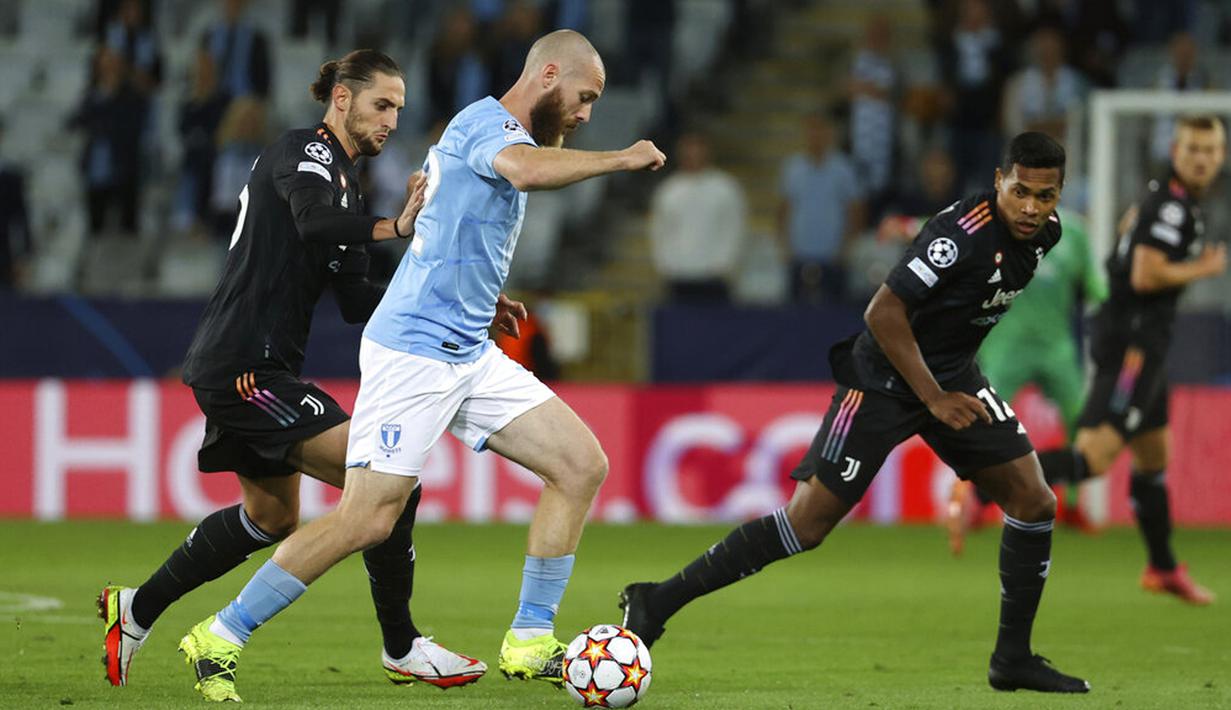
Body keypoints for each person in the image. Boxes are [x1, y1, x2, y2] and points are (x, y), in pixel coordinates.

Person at [178, 29, 666, 702]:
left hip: (466, 347)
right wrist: (621, 157)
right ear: (548, 74)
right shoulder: (482, 123)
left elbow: (449, 227)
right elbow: (522, 171)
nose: (585, 114)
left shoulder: (496, 136)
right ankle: (221, 633)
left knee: (580, 465)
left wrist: (480, 298)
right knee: (367, 519)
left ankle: (528, 639)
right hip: (413, 352)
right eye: (584, 98)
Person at [99, 49, 507, 696]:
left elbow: (355, 300)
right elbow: (313, 222)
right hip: (244, 367)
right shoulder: (304, 152)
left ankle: (136, 611)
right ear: (341, 99)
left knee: (270, 517)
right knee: (387, 484)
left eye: (399, 108)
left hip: (257, 366)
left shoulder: (348, 184)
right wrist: (395, 225)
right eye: (381, 104)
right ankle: (401, 645)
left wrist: (464, 307)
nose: (391, 120)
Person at [621, 132, 1090, 694]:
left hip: (954, 378)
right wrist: (933, 397)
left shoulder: (1049, 235)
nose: (1033, 208)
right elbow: (883, 312)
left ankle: (1012, 659)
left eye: (1046, 195)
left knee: (1035, 499)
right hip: (883, 380)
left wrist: (949, 383)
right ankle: (656, 600)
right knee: (807, 523)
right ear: (998, 182)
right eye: (1021, 192)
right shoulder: (958, 236)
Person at [1033, 115, 1227, 605]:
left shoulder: (1163, 198)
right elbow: (1144, 273)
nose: (1202, 158)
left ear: (1221, 156)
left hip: (1145, 348)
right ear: (1176, 151)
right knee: (1094, 458)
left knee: (1154, 456)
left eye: (1211, 149)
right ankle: (985, 478)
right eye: (1193, 149)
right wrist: (1201, 268)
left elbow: (1129, 238)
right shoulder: (1172, 209)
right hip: (1133, 351)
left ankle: (1162, 567)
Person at [947, 206, 1106, 554]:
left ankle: (1073, 505)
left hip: (1056, 347)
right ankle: (971, 497)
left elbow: (1097, 288)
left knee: (1082, 422)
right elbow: (953, 228)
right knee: (981, 420)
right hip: (1007, 343)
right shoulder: (1002, 219)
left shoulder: (1075, 232)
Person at [648, 131, 746, 304]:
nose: (693, 157)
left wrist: (725, 263)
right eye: (689, 152)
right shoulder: (669, 190)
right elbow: (660, 230)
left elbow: (734, 228)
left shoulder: (725, 188)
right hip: (679, 275)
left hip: (715, 275)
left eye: (697, 151)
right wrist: (666, 264)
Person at [778, 112, 865, 305]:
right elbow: (784, 210)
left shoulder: (844, 168)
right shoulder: (792, 168)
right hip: (799, 256)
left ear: (829, 135)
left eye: (820, 131)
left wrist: (846, 249)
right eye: (811, 131)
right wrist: (785, 247)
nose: (815, 136)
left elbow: (856, 211)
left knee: (835, 315)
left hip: (833, 257)